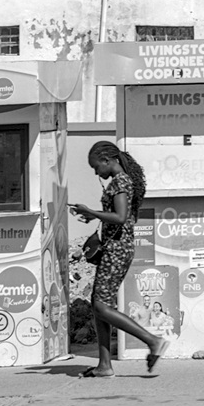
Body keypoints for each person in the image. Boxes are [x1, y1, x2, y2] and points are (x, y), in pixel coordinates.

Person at [68, 140, 170, 376]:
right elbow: (116, 215)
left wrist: (91, 212)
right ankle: (104, 365)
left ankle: (153, 341)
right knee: (99, 304)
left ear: (107, 160)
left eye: (96, 167)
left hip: (117, 249)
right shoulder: (122, 181)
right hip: (116, 248)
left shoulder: (120, 181)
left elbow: (121, 216)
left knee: (101, 306)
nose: (96, 172)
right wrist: (94, 216)